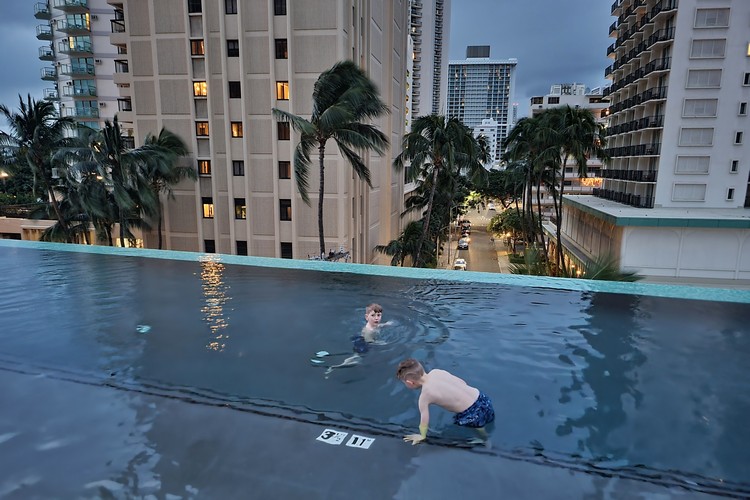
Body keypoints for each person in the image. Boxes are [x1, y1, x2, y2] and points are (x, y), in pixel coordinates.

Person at [396, 358, 494, 445]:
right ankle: (483, 432)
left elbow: (424, 421)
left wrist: (422, 436)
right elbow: (462, 382)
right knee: (483, 417)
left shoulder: (425, 396)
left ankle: (484, 439)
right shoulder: (436, 372)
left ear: (410, 382)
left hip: (472, 415)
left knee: (466, 427)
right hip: (482, 398)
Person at [322, 303, 390, 374]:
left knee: (356, 357)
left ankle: (336, 366)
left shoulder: (374, 324)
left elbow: (378, 326)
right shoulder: (369, 331)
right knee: (357, 358)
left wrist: (386, 324)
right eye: (373, 315)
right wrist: (380, 343)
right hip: (363, 344)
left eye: (378, 315)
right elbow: (369, 341)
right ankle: (336, 366)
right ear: (367, 317)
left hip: (361, 340)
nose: (376, 318)